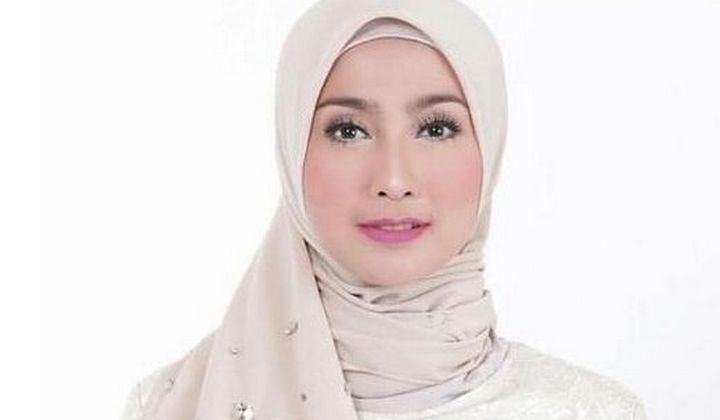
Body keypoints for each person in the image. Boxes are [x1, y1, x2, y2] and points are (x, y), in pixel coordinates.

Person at [119, 0, 648, 419]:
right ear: (292, 148)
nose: (394, 180)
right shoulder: (173, 405)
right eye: (348, 131)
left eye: (436, 128)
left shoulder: (594, 412)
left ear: (491, 145)